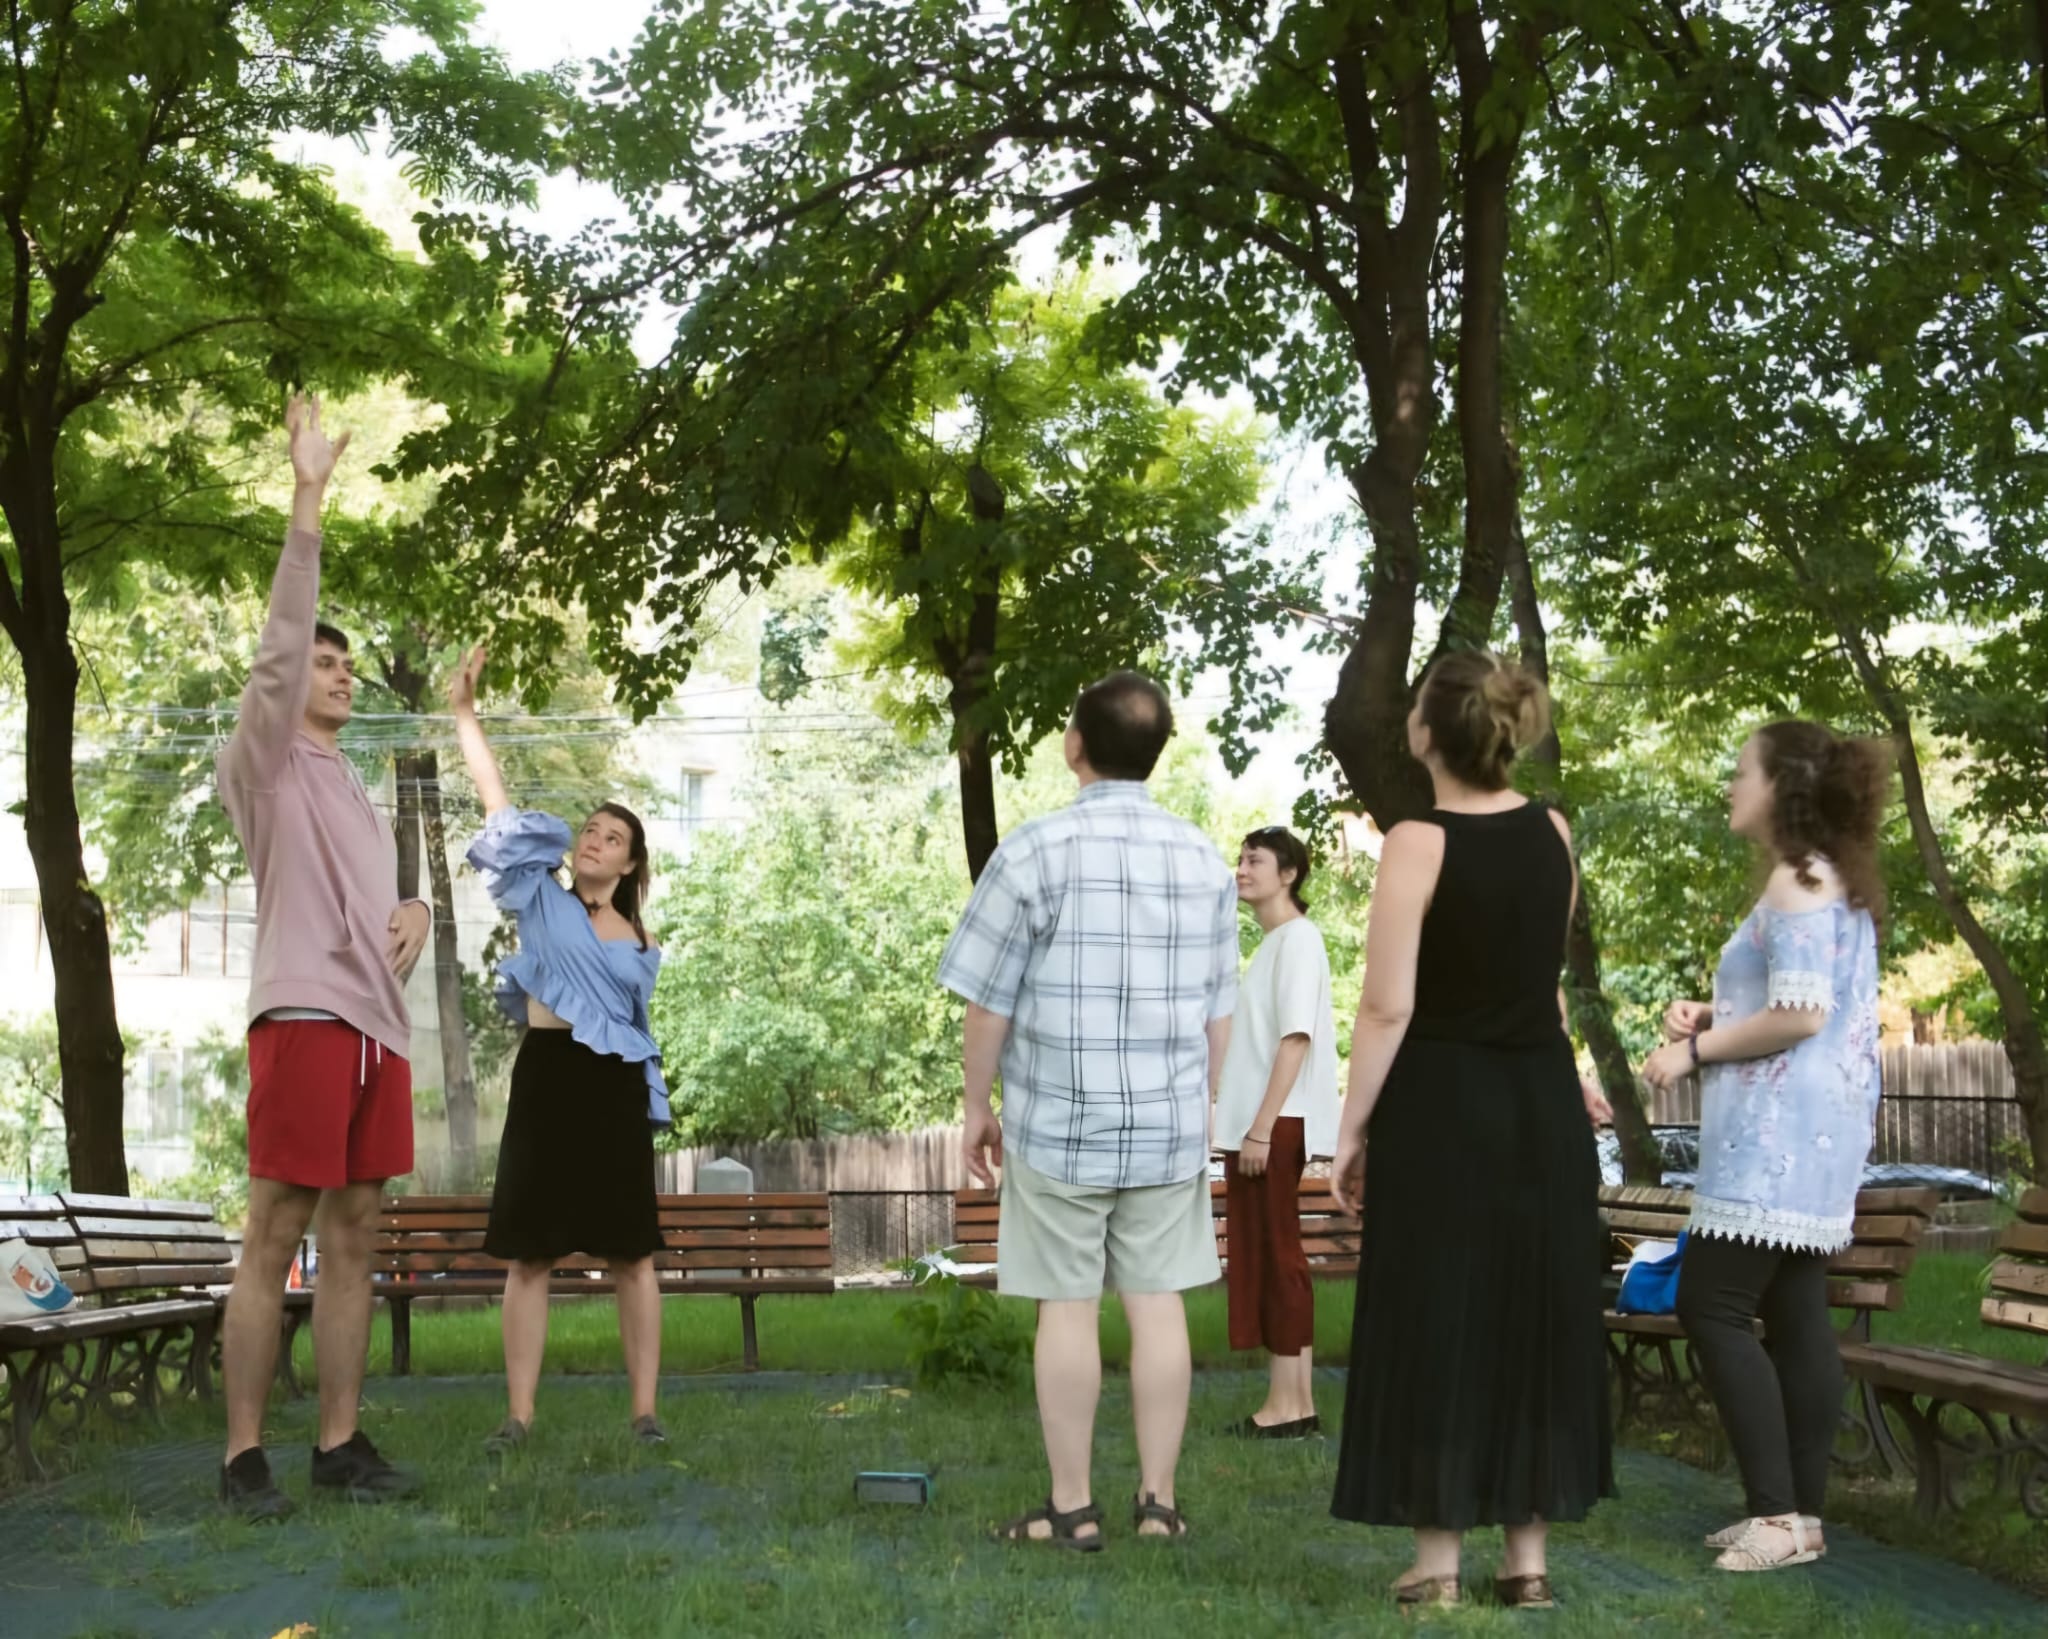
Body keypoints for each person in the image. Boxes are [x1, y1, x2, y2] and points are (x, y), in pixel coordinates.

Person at [1328, 650, 1614, 1610]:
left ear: (1427, 731)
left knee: (1438, 1314)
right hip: (1539, 1105)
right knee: (1529, 1312)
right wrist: (1570, 1073)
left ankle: (1438, 1564)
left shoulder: (1416, 840)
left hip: (1445, 1108)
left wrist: (1351, 1127)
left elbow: (1384, 1009)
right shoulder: (1556, 831)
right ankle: (1526, 1561)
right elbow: (1540, 986)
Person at [939, 671, 1238, 1551]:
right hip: (1167, 1127)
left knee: (1065, 1307)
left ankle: (1071, 1509)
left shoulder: (1032, 851)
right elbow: (1221, 1011)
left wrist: (974, 1105)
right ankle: (1159, 1502)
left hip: (1058, 1124)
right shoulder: (1203, 859)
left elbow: (986, 1003)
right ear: (1157, 752)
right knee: (1157, 1305)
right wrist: (1206, 1112)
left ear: (1075, 744)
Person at [215, 395, 432, 1519]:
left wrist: (419, 909)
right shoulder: (261, 763)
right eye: (326, 663)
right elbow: (276, 650)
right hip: (301, 1017)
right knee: (278, 1227)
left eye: (350, 667)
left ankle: (339, 1443)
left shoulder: (348, 784)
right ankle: (244, 1453)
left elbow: (376, 899)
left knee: (355, 1230)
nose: (341, 675)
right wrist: (307, 503)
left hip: (375, 1031)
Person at [1642, 721, 1888, 1573]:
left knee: (1708, 1300)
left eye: (1740, 770)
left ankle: (1776, 1515)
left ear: (1781, 785)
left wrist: (1692, 1051)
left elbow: (1801, 1015)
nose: (1730, 785)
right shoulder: (1828, 878)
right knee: (1793, 1310)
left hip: (1778, 1133)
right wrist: (1711, 1011)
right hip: (1821, 1128)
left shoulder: (1798, 879)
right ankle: (1804, 1519)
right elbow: (1798, 995)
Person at [446, 647, 672, 1454]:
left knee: (633, 1255)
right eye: (590, 831)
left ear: (630, 860)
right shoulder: (541, 895)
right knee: (530, 1255)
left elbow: (637, 1033)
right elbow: (496, 799)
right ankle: (519, 1415)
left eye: (611, 837)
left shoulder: (643, 938)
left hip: (609, 1090)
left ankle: (644, 1413)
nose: (594, 841)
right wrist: (467, 715)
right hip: (546, 1079)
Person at [1213, 826, 1339, 1439]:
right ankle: (1289, 1401)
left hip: (1275, 1125)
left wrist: (1261, 1129)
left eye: (1254, 860)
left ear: (1288, 874)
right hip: (1258, 1126)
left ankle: (1294, 1407)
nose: (1241, 869)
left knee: (1281, 1257)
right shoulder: (1273, 945)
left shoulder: (1298, 940)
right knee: (1268, 1257)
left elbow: (1295, 1039)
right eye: (1239, 859)